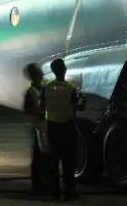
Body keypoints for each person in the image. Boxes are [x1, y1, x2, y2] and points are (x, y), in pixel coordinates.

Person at [41, 58, 81, 201]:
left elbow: (42, 107)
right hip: (67, 127)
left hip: (52, 126)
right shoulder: (70, 88)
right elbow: (75, 110)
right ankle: (69, 191)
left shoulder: (46, 87)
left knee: (53, 160)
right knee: (68, 161)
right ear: (64, 70)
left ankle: (55, 192)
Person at [23, 63, 48, 195]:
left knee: (46, 158)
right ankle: (38, 186)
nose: (41, 75)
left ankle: (44, 184)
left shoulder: (45, 88)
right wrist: (41, 113)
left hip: (47, 127)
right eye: (38, 73)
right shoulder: (31, 91)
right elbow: (28, 109)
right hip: (39, 128)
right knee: (39, 158)